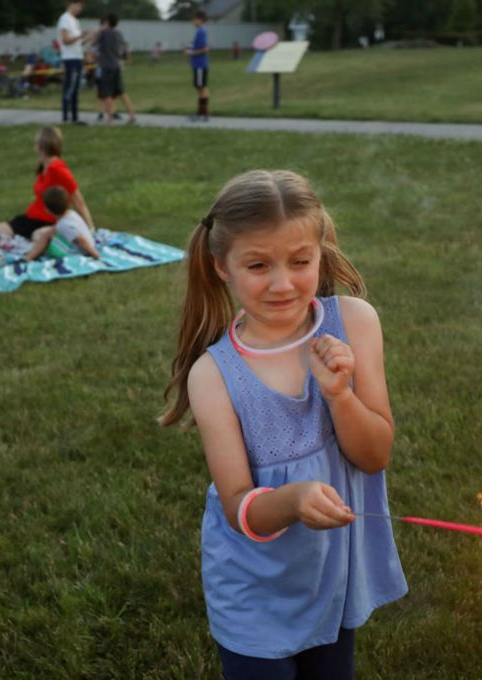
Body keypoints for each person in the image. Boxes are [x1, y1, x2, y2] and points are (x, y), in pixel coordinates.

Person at [159, 170, 407, 678]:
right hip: (254, 592)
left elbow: (375, 454)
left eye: (300, 262)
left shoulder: (355, 324)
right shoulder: (214, 375)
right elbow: (238, 507)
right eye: (257, 265)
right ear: (221, 267)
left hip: (333, 579)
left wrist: (339, 394)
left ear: (320, 252)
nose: (282, 283)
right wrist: (291, 500)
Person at [0, 125, 95, 241]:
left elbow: (78, 201)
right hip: (32, 217)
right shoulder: (45, 166)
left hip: (44, 221)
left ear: (40, 146)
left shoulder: (57, 170)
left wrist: (91, 230)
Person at [26, 185, 100, 261]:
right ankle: (31, 254)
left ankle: (28, 257)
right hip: (89, 244)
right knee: (47, 234)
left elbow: (81, 240)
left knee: (45, 238)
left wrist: (95, 254)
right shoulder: (71, 213)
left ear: (48, 210)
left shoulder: (63, 225)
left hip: (78, 252)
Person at [94, 13, 136, 125]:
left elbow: (93, 42)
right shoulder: (119, 34)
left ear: (107, 22)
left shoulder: (103, 33)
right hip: (116, 66)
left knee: (106, 94)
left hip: (105, 67)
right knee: (121, 92)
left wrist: (98, 30)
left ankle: (109, 119)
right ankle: (132, 115)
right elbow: (123, 49)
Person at [58, 1, 89, 124]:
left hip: (77, 56)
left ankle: (75, 116)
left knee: (76, 87)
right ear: (71, 4)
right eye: (79, 5)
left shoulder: (75, 21)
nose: (80, 9)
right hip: (69, 58)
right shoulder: (65, 19)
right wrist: (80, 36)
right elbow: (66, 40)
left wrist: (86, 37)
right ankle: (66, 116)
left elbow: (77, 42)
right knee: (70, 86)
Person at [186, 9, 210, 122]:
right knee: (200, 87)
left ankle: (203, 113)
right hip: (198, 64)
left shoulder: (201, 31)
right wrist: (190, 49)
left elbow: (205, 48)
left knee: (201, 88)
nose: (192, 21)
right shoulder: (200, 31)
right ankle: (201, 112)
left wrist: (192, 53)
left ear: (199, 20)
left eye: (194, 19)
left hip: (200, 64)